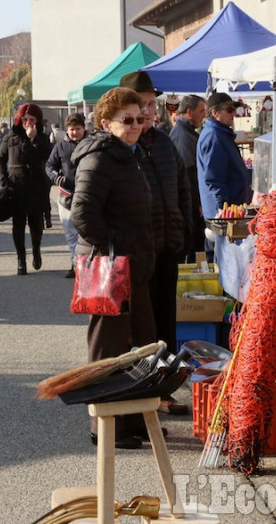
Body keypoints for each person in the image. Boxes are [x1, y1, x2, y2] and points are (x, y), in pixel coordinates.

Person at [71, 86, 155, 449]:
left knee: (140, 344)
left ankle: (134, 420)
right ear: (106, 123)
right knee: (108, 349)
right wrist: (113, 246)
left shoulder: (129, 155)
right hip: (111, 267)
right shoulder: (100, 157)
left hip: (134, 265)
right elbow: (82, 214)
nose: (136, 125)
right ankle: (104, 427)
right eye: (127, 120)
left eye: (140, 118)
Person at [120, 70, 191, 416]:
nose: (150, 110)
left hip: (167, 246)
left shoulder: (163, 142)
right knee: (140, 327)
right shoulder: (121, 147)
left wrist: (184, 230)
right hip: (137, 252)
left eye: (152, 103)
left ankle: (164, 389)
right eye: (144, 104)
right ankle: (140, 390)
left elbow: (182, 190)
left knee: (166, 321)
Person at [0, 103, 51, 275]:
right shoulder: (11, 137)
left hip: (35, 187)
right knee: (18, 225)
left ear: (37, 121)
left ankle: (36, 250)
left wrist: (33, 139)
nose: (27, 122)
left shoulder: (42, 138)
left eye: (31, 119)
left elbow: (47, 158)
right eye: (24, 119)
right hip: (16, 186)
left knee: (36, 224)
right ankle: (21, 259)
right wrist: (3, 180)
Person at [197, 92, 253, 222]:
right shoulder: (214, 137)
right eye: (229, 110)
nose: (234, 114)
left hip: (231, 209)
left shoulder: (220, 134)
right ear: (215, 113)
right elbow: (214, 179)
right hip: (225, 214)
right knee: (223, 242)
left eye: (234, 109)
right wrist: (222, 209)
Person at [45, 113, 86, 277]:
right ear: (66, 130)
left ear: (84, 128)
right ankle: (75, 263)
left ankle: (87, 264)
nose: (75, 132)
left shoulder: (92, 143)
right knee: (71, 233)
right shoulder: (60, 147)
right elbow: (49, 166)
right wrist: (58, 178)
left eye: (78, 129)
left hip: (88, 194)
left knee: (87, 232)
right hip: (66, 195)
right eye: (71, 129)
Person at [170, 94, 207, 262]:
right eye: (201, 111)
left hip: (190, 200)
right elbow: (189, 174)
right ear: (190, 112)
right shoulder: (183, 135)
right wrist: (199, 202)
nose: (204, 115)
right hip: (189, 202)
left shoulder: (187, 132)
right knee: (193, 242)